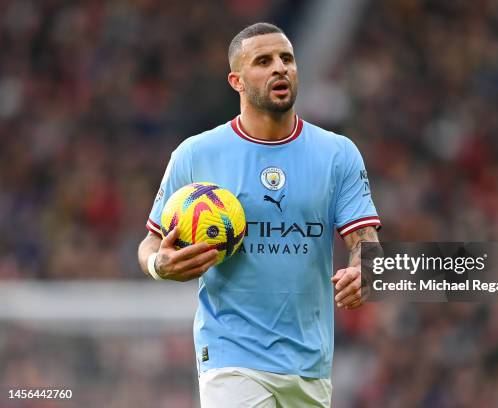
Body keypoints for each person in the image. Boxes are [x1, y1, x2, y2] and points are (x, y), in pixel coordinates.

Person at [137, 22, 381, 407]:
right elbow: (150, 242)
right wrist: (159, 264)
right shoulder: (196, 154)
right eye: (263, 61)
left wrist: (363, 271)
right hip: (230, 355)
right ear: (236, 80)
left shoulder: (338, 154)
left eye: (287, 58)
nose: (279, 68)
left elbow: (366, 244)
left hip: (310, 363)